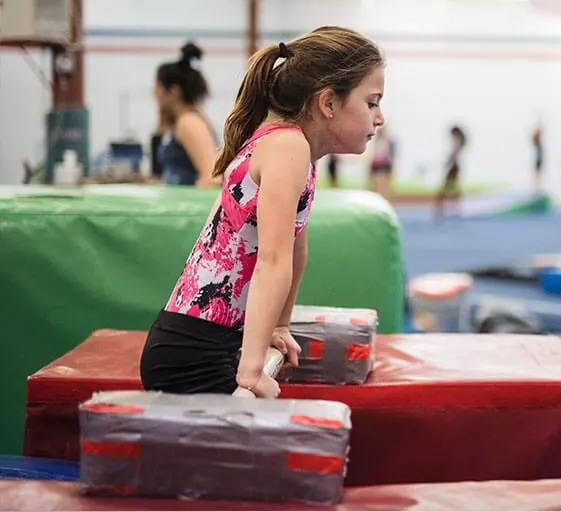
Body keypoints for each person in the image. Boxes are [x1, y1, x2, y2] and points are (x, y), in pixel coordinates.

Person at [140, 27, 386, 399]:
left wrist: (280, 325)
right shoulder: (287, 145)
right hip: (193, 351)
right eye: (372, 102)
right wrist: (252, 370)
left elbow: (295, 248)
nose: (379, 117)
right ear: (329, 103)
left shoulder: (295, 148)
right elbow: (272, 260)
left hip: (209, 341)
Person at [153, 43, 220, 187]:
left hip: (187, 207)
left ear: (174, 91)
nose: (155, 95)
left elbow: (212, 178)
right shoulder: (180, 123)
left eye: (158, 88)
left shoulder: (189, 123)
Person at [436, 125, 466, 222]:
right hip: (454, 167)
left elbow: (454, 155)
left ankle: (442, 212)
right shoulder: (459, 143)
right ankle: (454, 210)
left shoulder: (457, 142)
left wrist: (448, 161)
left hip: (453, 167)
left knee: (446, 190)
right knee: (452, 189)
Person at [369, 125, 396, 198]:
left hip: (383, 163)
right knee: (375, 183)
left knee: (384, 183)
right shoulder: (376, 141)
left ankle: (384, 197)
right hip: (377, 163)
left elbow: (391, 155)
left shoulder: (387, 141)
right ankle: (376, 196)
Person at [532, 125, 543, 192]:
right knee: (537, 174)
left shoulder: (537, 141)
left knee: (538, 174)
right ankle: (536, 188)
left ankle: (537, 187)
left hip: (539, 159)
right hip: (538, 159)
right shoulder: (536, 141)